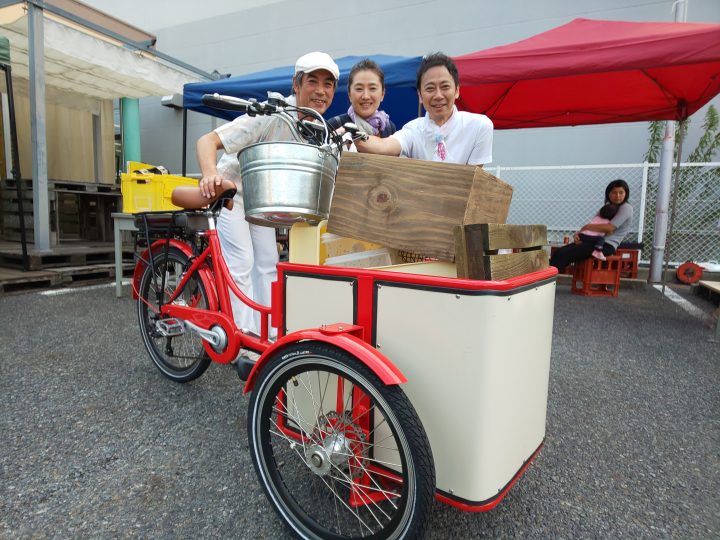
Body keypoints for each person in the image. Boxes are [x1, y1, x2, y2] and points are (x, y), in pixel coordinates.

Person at [193, 51, 339, 337]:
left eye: (328, 84)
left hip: (261, 203)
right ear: (296, 85)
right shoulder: (270, 114)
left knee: (269, 264)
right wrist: (210, 173)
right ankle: (241, 336)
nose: (321, 91)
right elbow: (207, 140)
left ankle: (269, 334)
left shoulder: (315, 128)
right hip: (230, 196)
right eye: (313, 81)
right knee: (243, 261)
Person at [354, 52, 493, 166]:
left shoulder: (479, 126)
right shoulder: (413, 129)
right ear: (420, 95)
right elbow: (385, 145)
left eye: (445, 87)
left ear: (457, 90)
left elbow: (475, 181)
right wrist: (351, 136)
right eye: (430, 88)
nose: (438, 95)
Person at [550, 179, 634, 272]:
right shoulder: (607, 207)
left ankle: (547, 279)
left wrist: (586, 227)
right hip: (591, 241)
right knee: (559, 252)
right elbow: (594, 224)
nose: (617, 196)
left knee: (565, 254)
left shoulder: (626, 208)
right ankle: (547, 278)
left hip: (605, 246)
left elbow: (609, 228)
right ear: (608, 194)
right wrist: (578, 234)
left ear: (626, 194)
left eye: (621, 193)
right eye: (614, 192)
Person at [328, 58, 396, 138]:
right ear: (349, 94)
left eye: (372, 88)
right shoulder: (334, 125)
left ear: (382, 94)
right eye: (359, 89)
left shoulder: (388, 127)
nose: (366, 96)